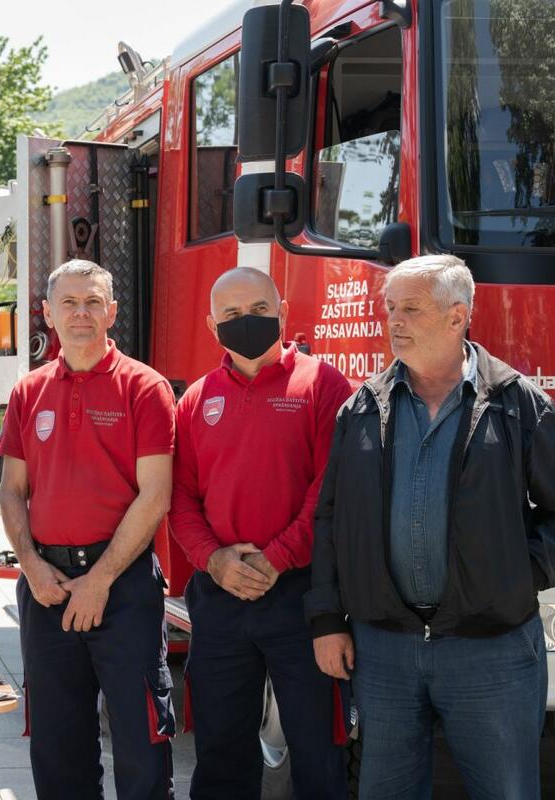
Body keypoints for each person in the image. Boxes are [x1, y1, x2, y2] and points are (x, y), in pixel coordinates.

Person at [307, 254, 555, 798]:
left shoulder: (517, 403)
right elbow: (331, 519)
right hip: (385, 649)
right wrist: (326, 619)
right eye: (390, 308)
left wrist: (523, 572)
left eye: (411, 309)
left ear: (457, 316)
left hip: (491, 649)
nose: (394, 321)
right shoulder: (362, 408)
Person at [0, 259, 177, 800]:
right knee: (58, 751)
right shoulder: (28, 392)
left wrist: (100, 580)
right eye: (69, 303)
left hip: (123, 587)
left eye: (93, 302)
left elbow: (155, 494)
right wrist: (31, 567)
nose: (81, 313)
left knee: (142, 745)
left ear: (111, 312)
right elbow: (11, 490)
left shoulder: (145, 387)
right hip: (47, 588)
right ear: (48, 313)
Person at [169, 267, 351, 798]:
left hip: (302, 598)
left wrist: (276, 558)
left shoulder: (324, 385)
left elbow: (330, 491)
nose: (245, 321)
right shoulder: (196, 400)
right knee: (221, 756)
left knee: (318, 755)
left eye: (258, 310)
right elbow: (180, 499)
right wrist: (215, 561)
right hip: (221, 598)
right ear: (212, 325)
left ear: (283, 312)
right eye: (231, 314)